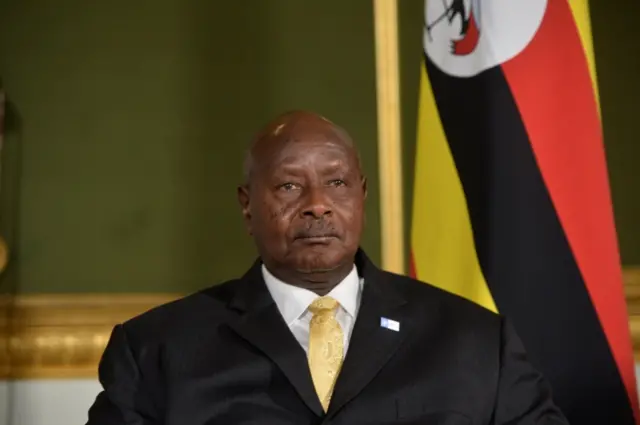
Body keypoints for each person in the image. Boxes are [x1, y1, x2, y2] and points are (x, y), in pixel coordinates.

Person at [86, 111, 569, 424]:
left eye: (336, 183)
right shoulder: (156, 351)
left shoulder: (477, 343)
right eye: (290, 187)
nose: (318, 206)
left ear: (362, 196)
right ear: (247, 206)